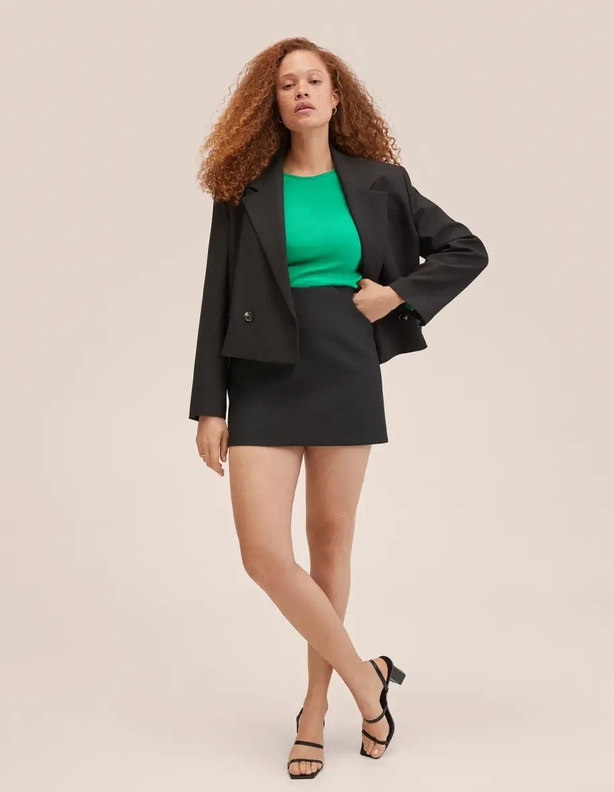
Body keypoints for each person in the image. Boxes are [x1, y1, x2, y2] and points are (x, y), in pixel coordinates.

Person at [188, 37, 488, 779]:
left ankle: (315, 711)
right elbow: (216, 297)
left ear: (335, 95)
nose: (301, 91)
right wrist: (209, 405)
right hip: (261, 375)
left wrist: (399, 295)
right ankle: (367, 680)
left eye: (313, 80)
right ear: (272, 103)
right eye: (286, 83)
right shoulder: (244, 189)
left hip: (344, 368)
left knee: (329, 548)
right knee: (264, 555)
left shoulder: (381, 181)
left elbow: (465, 248)